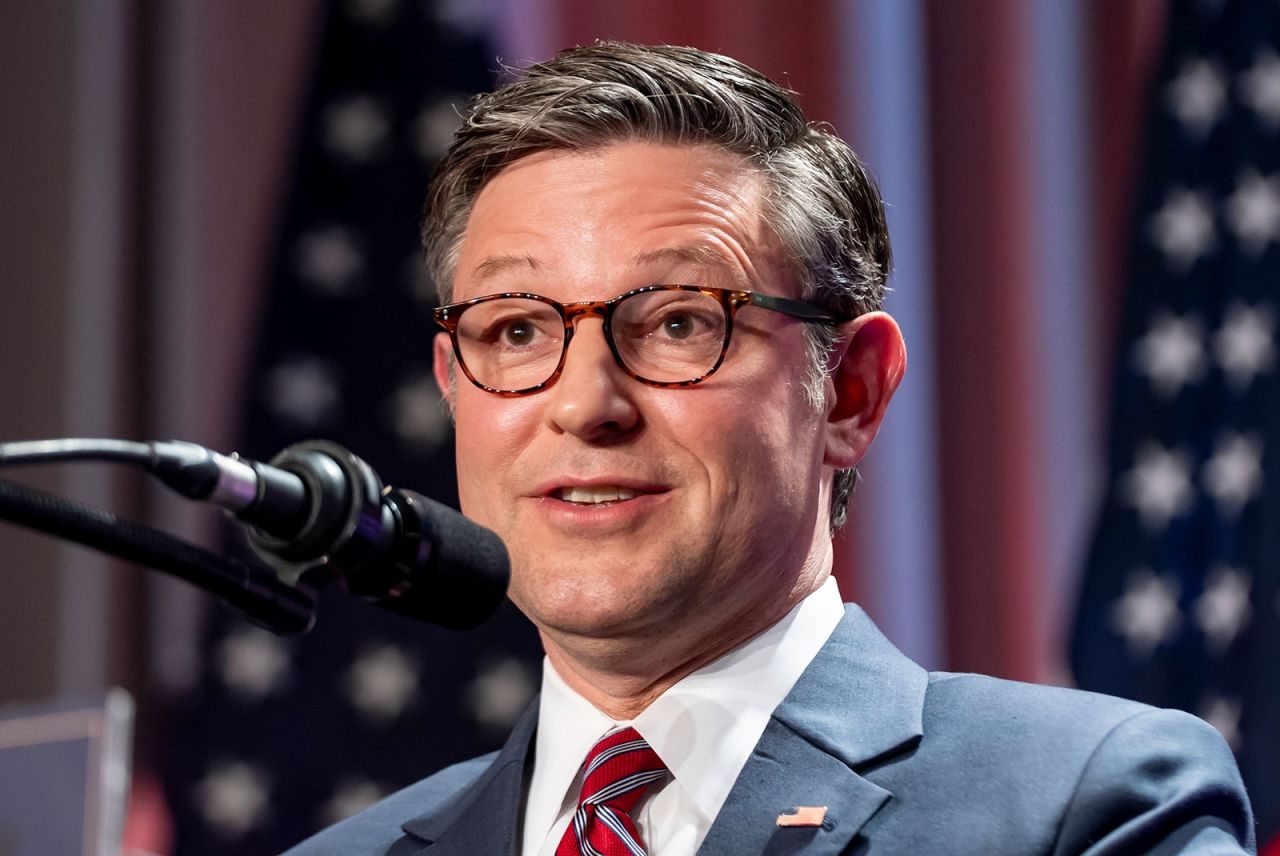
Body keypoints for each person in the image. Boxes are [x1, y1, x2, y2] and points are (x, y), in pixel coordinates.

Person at [285, 42, 1254, 855]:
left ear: (848, 391)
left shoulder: (1086, 803)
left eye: (676, 322)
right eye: (516, 331)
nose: (583, 404)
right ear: (453, 386)